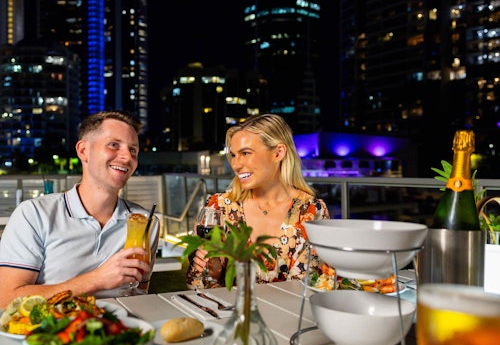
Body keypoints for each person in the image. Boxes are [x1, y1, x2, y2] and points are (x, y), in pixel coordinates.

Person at [0, 110, 159, 308]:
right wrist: (96, 280)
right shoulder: (34, 214)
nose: (127, 157)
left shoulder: (145, 221)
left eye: (133, 150)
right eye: (114, 145)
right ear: (83, 150)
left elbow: (140, 291)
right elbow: (7, 298)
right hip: (51, 335)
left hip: (121, 332)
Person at [186, 113, 330, 288]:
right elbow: (197, 285)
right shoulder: (219, 207)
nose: (236, 165)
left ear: (278, 153)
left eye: (245, 153)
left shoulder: (310, 212)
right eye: (233, 155)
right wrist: (215, 272)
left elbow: (314, 286)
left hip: (287, 315)